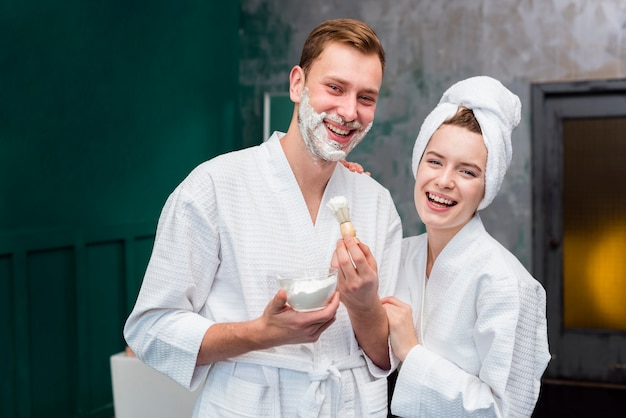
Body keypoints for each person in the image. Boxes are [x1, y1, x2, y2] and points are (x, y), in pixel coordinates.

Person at [123, 18, 402, 417]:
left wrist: (362, 306)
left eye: (366, 98)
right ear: (297, 84)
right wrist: (261, 334)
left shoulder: (376, 203)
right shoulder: (215, 186)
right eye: (335, 88)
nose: (348, 111)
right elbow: (150, 330)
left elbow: (383, 356)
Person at [381, 76, 551, 417]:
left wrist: (411, 353)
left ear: (487, 187)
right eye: (435, 161)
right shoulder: (398, 255)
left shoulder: (508, 285)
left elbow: (508, 411)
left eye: (468, 172)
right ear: (418, 163)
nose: (444, 181)